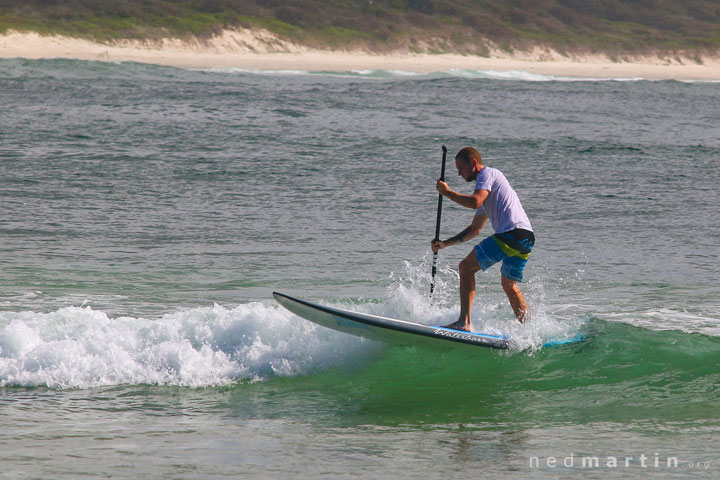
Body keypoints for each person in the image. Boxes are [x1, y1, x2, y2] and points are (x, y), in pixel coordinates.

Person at [431, 146, 535, 331]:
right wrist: (445, 244)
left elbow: (474, 202)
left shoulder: (487, 174)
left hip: (511, 234)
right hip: (526, 238)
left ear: (474, 163)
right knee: (509, 285)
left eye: (461, 168)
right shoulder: (488, 192)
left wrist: (447, 193)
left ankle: (464, 322)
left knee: (465, 268)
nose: (459, 173)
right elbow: (475, 229)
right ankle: (530, 329)